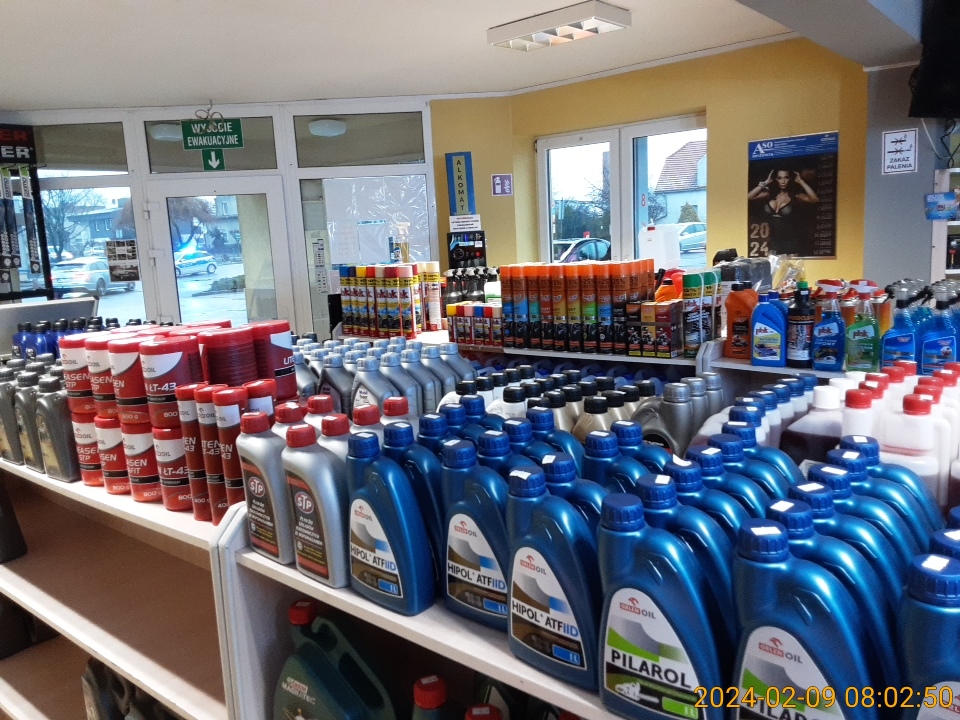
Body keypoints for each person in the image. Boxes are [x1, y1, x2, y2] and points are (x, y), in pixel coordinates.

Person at [748, 169, 819, 255]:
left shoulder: (795, 196)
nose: (783, 181)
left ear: (790, 179)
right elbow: (748, 197)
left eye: (786, 178)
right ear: (776, 179)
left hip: (792, 244)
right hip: (774, 244)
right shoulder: (769, 194)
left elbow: (815, 199)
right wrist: (766, 182)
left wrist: (801, 182)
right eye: (780, 178)